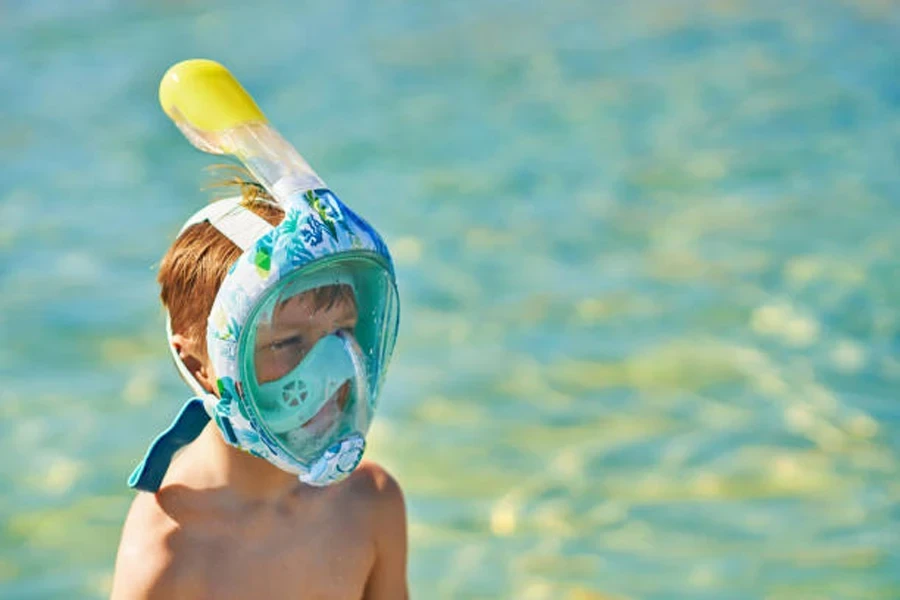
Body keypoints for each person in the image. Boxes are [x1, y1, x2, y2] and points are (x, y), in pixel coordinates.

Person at [111, 59, 408, 599]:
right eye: (288, 342)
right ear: (202, 366)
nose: (332, 366)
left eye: (342, 330)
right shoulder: (169, 550)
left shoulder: (372, 505)